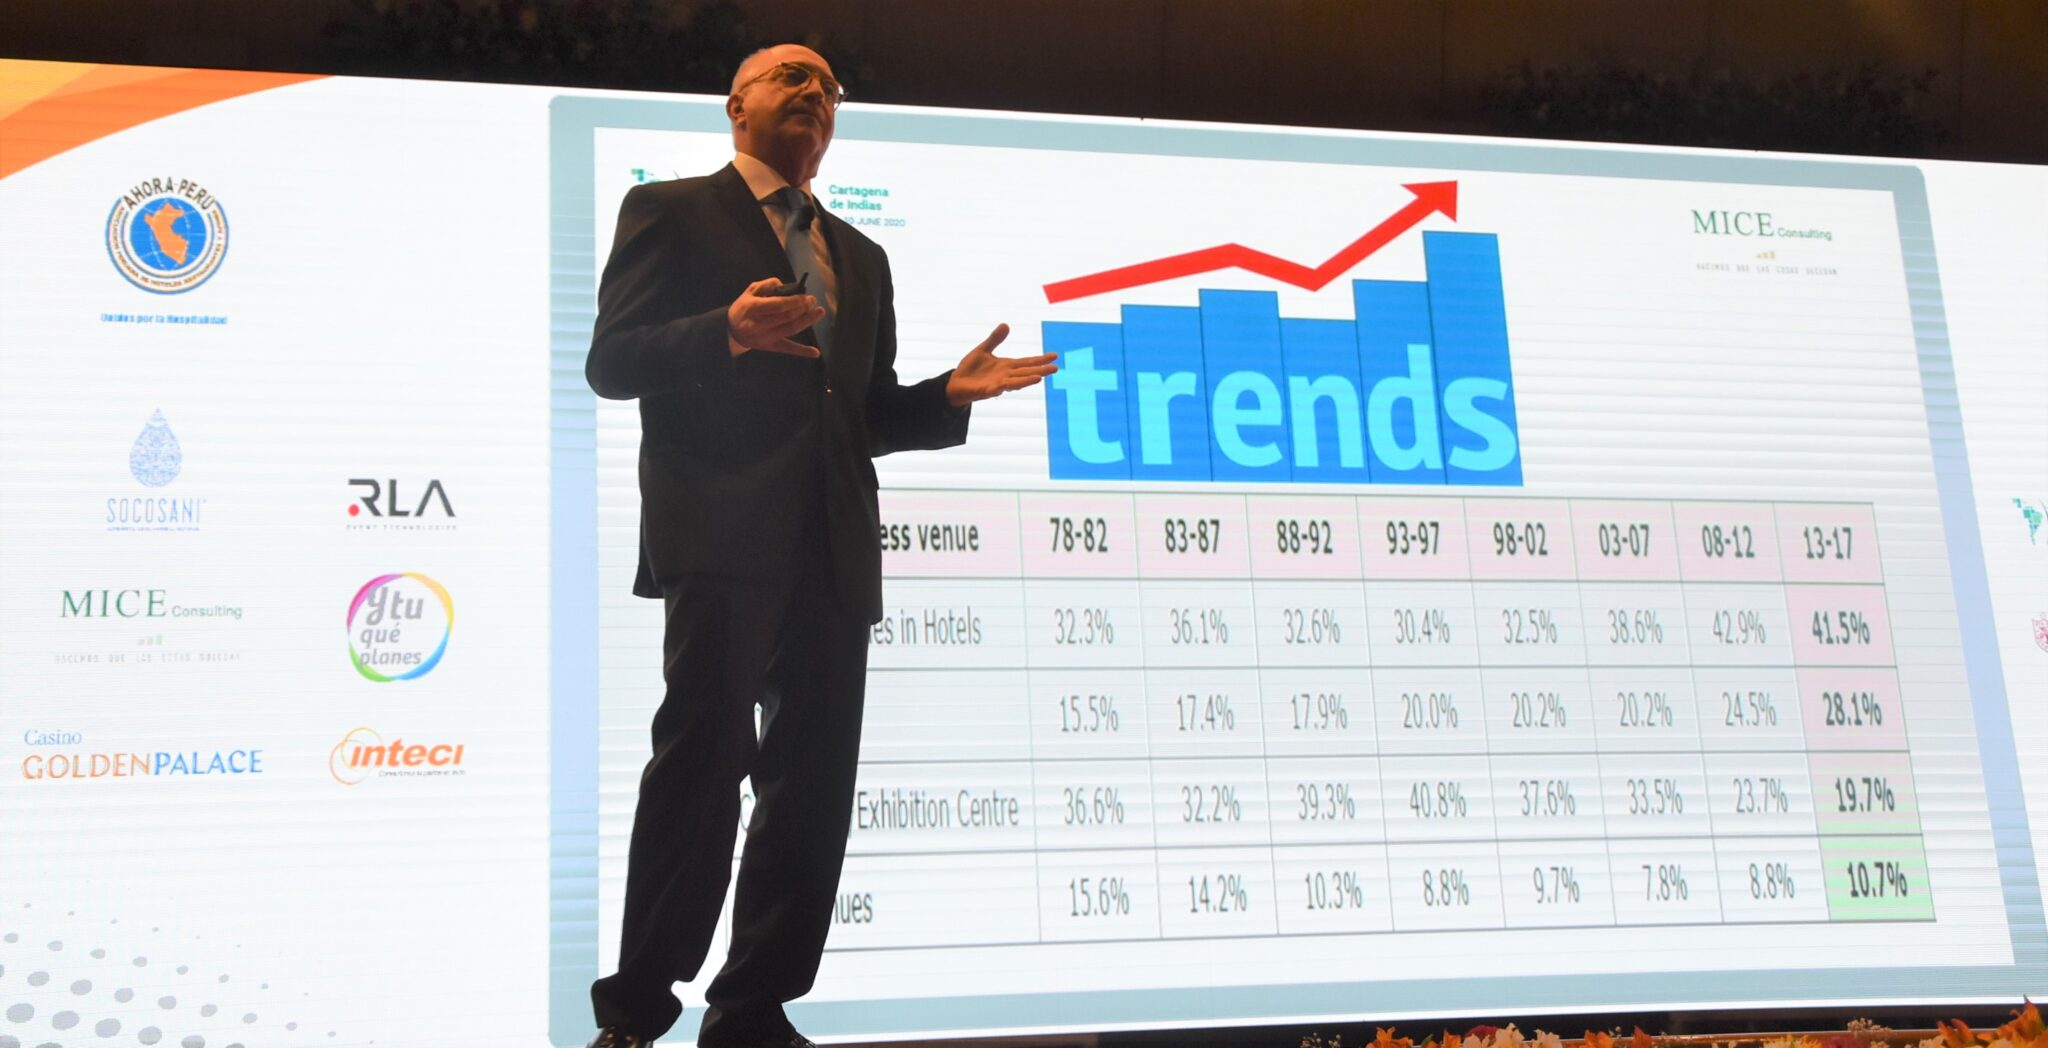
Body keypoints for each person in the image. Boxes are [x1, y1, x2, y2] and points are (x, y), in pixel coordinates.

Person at [581, 43, 1057, 1048]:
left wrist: (944, 398)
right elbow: (612, 362)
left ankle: (752, 1009)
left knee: (810, 787)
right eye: (792, 77)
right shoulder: (668, 210)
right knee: (701, 766)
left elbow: (857, 415)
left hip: (835, 549)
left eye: (829, 87)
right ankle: (634, 1015)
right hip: (719, 534)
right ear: (736, 105)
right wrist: (724, 331)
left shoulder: (861, 256)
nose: (814, 93)